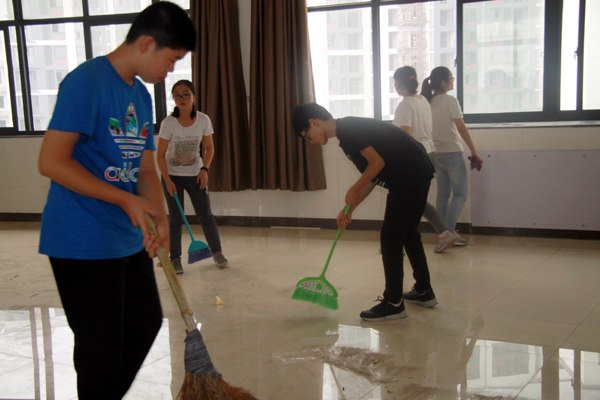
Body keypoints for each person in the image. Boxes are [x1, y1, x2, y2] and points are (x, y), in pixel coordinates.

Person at [37, 3, 195, 399]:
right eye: (171, 59)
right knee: (100, 349)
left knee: (144, 324)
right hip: (80, 238)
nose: (170, 71)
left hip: (124, 236)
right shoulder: (86, 82)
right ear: (146, 43)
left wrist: (159, 216)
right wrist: (124, 200)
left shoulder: (140, 95)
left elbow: (145, 169)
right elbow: (51, 161)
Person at [292, 103, 438, 322]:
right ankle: (424, 291)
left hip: (408, 174)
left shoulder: (348, 131)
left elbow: (377, 163)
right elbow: (372, 176)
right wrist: (349, 208)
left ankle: (393, 303)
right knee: (408, 232)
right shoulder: (347, 132)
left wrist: (353, 188)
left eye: (307, 136)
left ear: (314, 122)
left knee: (390, 236)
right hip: (417, 169)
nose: (310, 141)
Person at [157, 79, 228, 273]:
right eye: (177, 95)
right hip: (172, 176)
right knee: (176, 219)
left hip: (196, 174)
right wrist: (167, 180)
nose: (181, 99)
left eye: (186, 94)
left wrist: (204, 170)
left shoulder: (203, 120)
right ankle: (175, 259)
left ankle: (217, 252)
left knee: (206, 215)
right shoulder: (168, 123)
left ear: (194, 97)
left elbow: (209, 148)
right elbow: (160, 155)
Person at [392, 66, 457, 253]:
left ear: (399, 83)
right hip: (429, 154)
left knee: (406, 199)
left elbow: (404, 137)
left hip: (413, 156)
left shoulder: (405, 105)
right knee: (416, 200)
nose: (395, 85)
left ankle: (395, 239)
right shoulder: (422, 101)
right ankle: (442, 232)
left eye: (395, 82)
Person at [421, 66, 483, 245]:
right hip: (452, 152)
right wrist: (474, 152)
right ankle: (449, 233)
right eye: (451, 78)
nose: (453, 80)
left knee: (443, 194)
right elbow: (461, 129)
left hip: (435, 153)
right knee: (461, 193)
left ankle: (442, 234)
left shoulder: (428, 102)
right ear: (443, 82)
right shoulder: (450, 101)